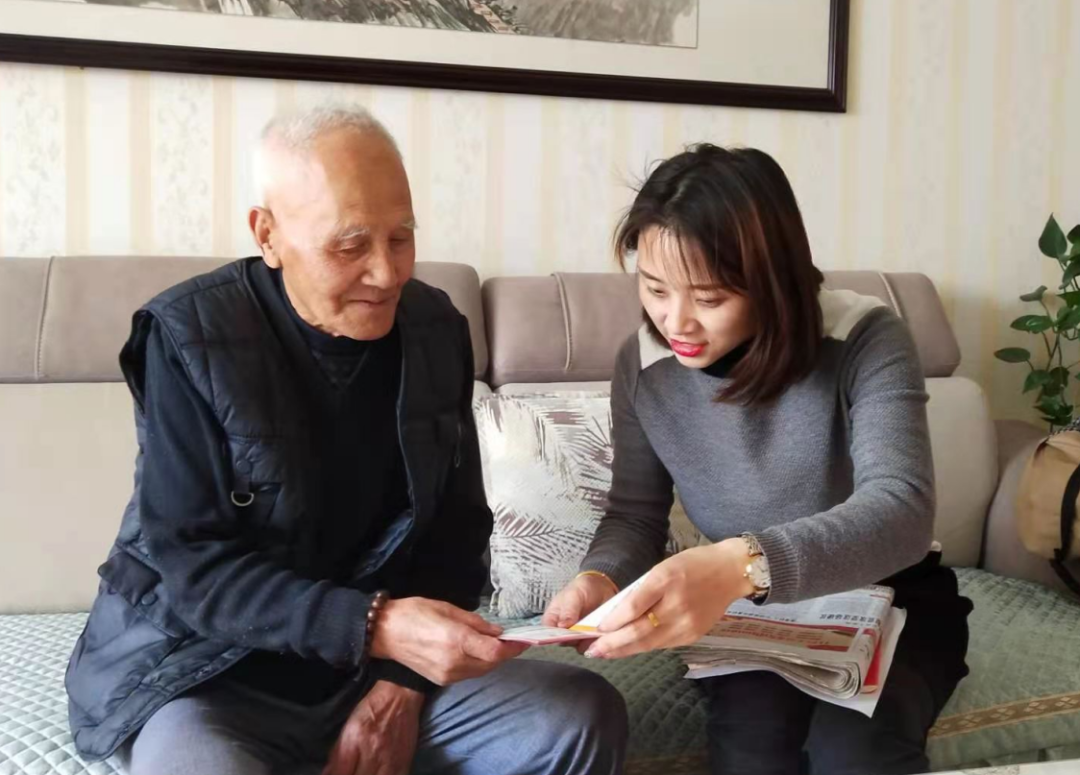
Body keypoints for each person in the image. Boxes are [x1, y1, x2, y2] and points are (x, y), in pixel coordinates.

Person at [65, 105, 627, 775]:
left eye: (401, 237)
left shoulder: (435, 330)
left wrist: (401, 688)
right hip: (210, 673)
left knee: (578, 716)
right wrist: (374, 624)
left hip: (374, 670)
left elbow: (456, 536)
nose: (387, 273)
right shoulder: (190, 337)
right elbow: (194, 570)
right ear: (268, 234)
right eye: (350, 245)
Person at [543, 144, 972, 775]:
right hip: (749, 614)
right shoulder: (642, 365)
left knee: (852, 754)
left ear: (773, 281)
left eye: (709, 297)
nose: (676, 321)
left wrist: (745, 563)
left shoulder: (865, 337)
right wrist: (601, 580)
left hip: (890, 596)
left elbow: (901, 509)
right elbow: (635, 513)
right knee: (753, 755)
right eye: (655, 288)